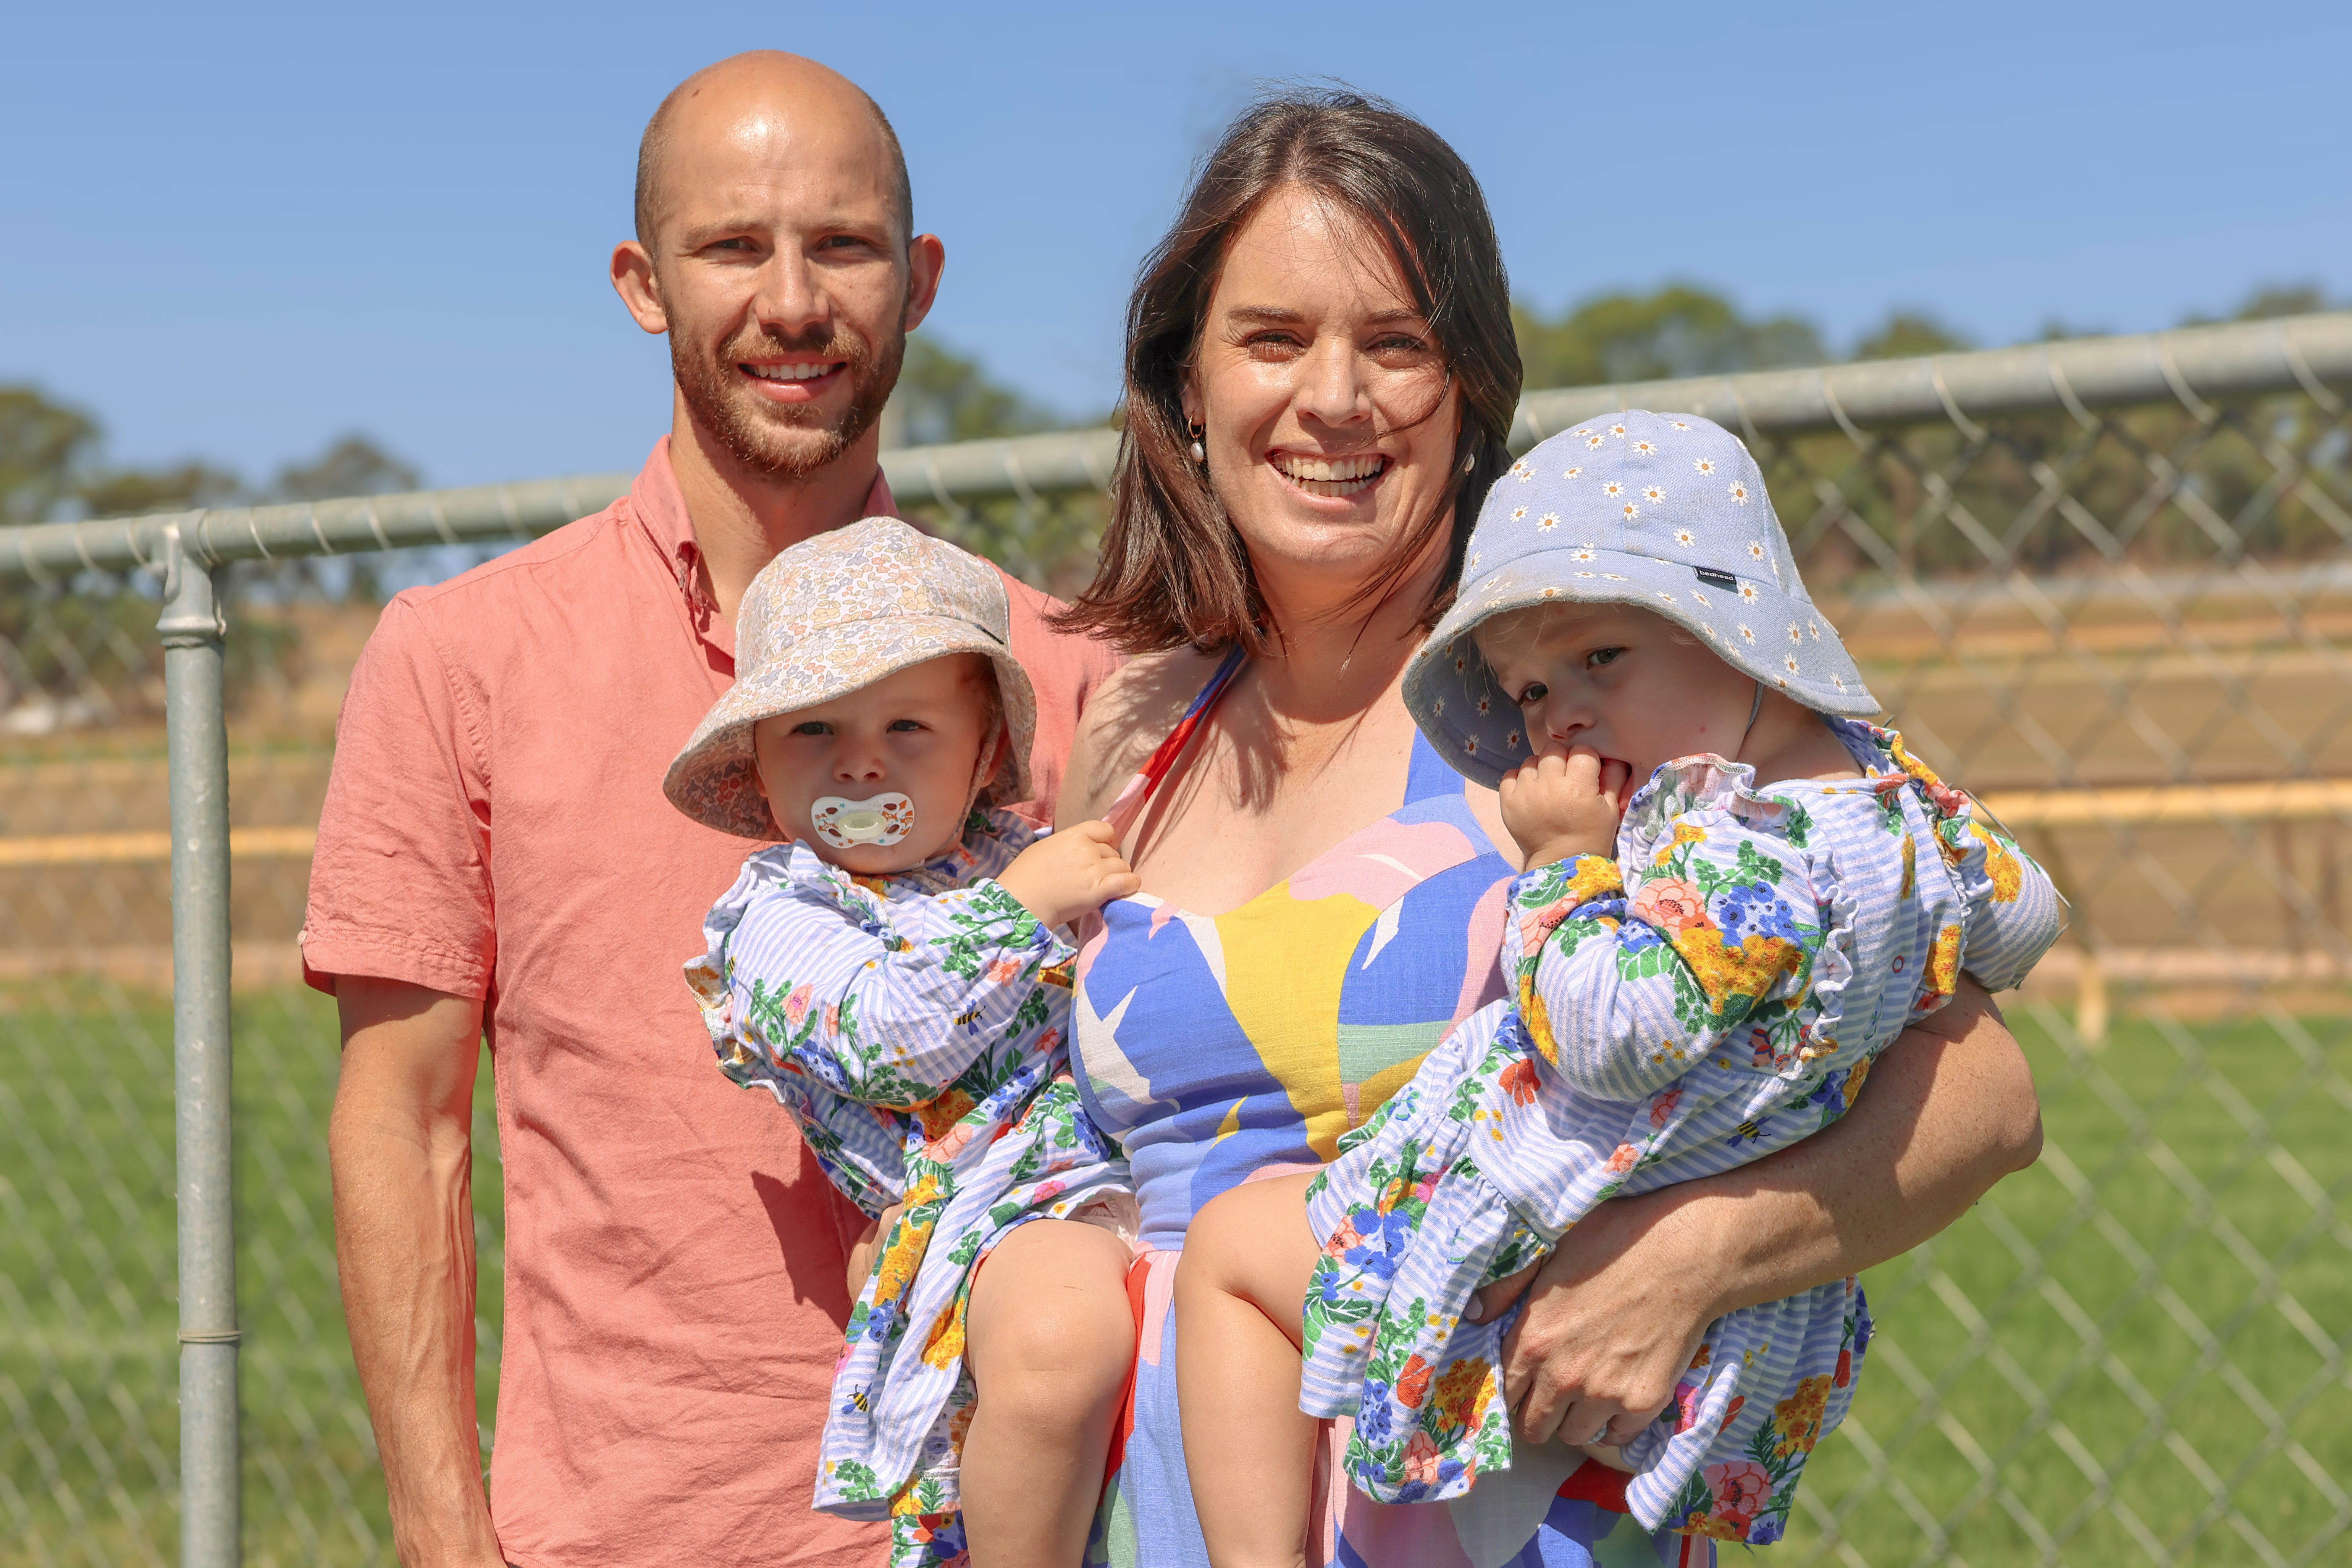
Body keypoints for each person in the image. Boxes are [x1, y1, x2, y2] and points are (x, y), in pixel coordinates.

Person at [1038, 89, 2045, 1568]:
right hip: (1164, 1498)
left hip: (1484, 1497)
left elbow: (1985, 1097)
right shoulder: (1128, 725)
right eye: (1272, 338)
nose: (1335, 398)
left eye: (1396, 342)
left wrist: (1688, 1261)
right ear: (1186, 380)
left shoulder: (1588, 702)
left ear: (1471, 388)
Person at [307, 53, 1115, 1568]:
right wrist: (437, 1531)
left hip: (1004, 1519)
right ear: (641, 281)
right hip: (617, 1530)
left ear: (921, 281)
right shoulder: (463, 657)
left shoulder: (1056, 667)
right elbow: (403, 1123)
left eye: (846, 245)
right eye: (734, 246)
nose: (794, 300)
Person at [1173, 410, 2067, 1562]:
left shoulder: (1726, 848)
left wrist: (1565, 869)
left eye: (1601, 658)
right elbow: (2023, 910)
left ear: (1741, 637)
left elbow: (1612, 1030)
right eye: (1532, 691)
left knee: (1233, 1254)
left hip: (1534, 1236)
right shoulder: (1905, 816)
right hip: (1729, 1321)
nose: (1562, 717)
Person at [665, 518, 1140, 1567]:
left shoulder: (1011, 856)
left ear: (983, 759)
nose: (863, 758)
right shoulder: (775, 916)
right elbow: (885, 1037)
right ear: (759, 760)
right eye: (815, 730)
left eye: (909, 728)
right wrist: (1022, 912)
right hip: (997, 1214)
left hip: (1124, 1173)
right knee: (1066, 1340)